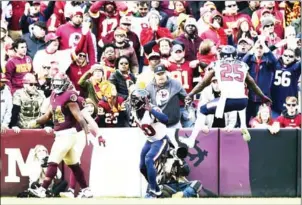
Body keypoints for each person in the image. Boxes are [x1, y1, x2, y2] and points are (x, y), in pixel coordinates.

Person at [181, 45, 272, 148]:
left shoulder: (216, 64)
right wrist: (262, 96)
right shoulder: (242, 65)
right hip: (242, 102)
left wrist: (191, 94)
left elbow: (203, 83)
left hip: (227, 101)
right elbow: (252, 83)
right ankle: (243, 125)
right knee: (235, 99)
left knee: (202, 109)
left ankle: (191, 140)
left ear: (222, 56)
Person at [27, 73, 96, 198]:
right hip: (61, 134)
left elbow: (80, 118)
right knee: (74, 164)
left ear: (65, 83)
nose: (57, 85)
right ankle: (86, 190)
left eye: (60, 82)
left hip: (67, 134)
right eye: (55, 82)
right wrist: (36, 121)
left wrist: (88, 133)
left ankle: (42, 189)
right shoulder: (53, 95)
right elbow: (47, 115)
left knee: (52, 161)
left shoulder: (70, 96)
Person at [130, 88, 169, 198]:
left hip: (161, 140)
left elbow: (166, 120)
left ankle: (152, 191)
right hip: (150, 141)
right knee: (142, 167)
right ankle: (157, 190)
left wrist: (152, 110)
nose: (132, 102)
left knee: (149, 159)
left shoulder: (152, 109)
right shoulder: (134, 111)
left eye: (134, 100)